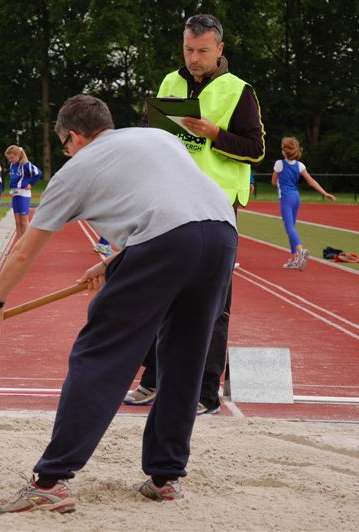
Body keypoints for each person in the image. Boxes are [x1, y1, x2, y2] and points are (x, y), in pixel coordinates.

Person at [0, 95, 237, 513]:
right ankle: (166, 476)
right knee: (185, 359)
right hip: (222, 235)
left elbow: (24, 251)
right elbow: (175, 206)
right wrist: (113, 261)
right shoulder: (156, 137)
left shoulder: (75, 169)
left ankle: (51, 480)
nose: (68, 152)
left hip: (166, 241)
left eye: (65, 145)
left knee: (100, 355)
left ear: (74, 137)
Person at [126, 14, 265, 414]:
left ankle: (205, 392)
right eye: (189, 49)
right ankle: (153, 380)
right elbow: (147, 131)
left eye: (202, 50)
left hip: (215, 209)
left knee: (212, 304)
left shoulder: (239, 91)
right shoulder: (170, 82)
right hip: (170, 201)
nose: (194, 58)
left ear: (219, 49)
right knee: (159, 294)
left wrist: (214, 134)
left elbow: (255, 149)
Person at [271, 136, 336, 270]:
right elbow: (311, 181)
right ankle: (294, 258)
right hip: (296, 198)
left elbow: (273, 182)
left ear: (284, 151)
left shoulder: (279, 164)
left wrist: (279, 181)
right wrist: (324, 193)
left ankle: (301, 252)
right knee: (292, 228)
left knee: (289, 228)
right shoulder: (300, 165)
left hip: (286, 199)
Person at [5, 144, 42, 240]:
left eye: (12, 158)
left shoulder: (25, 164)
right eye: (9, 158)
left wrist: (31, 183)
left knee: (24, 222)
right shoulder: (12, 165)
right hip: (15, 194)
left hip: (23, 194)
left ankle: (26, 242)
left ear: (18, 155)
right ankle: (19, 242)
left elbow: (38, 173)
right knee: (17, 222)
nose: (10, 160)